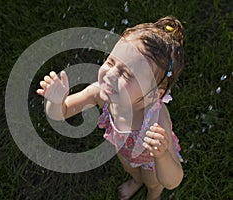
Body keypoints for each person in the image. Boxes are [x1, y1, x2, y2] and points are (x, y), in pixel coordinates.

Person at [37, 16, 185, 200]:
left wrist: (161, 155)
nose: (111, 75)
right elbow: (61, 113)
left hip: (151, 160)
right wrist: (57, 101)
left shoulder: (157, 121)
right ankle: (135, 181)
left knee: (153, 180)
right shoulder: (100, 92)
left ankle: (153, 194)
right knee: (130, 168)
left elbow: (173, 180)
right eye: (111, 62)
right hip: (123, 149)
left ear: (154, 94)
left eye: (126, 74)